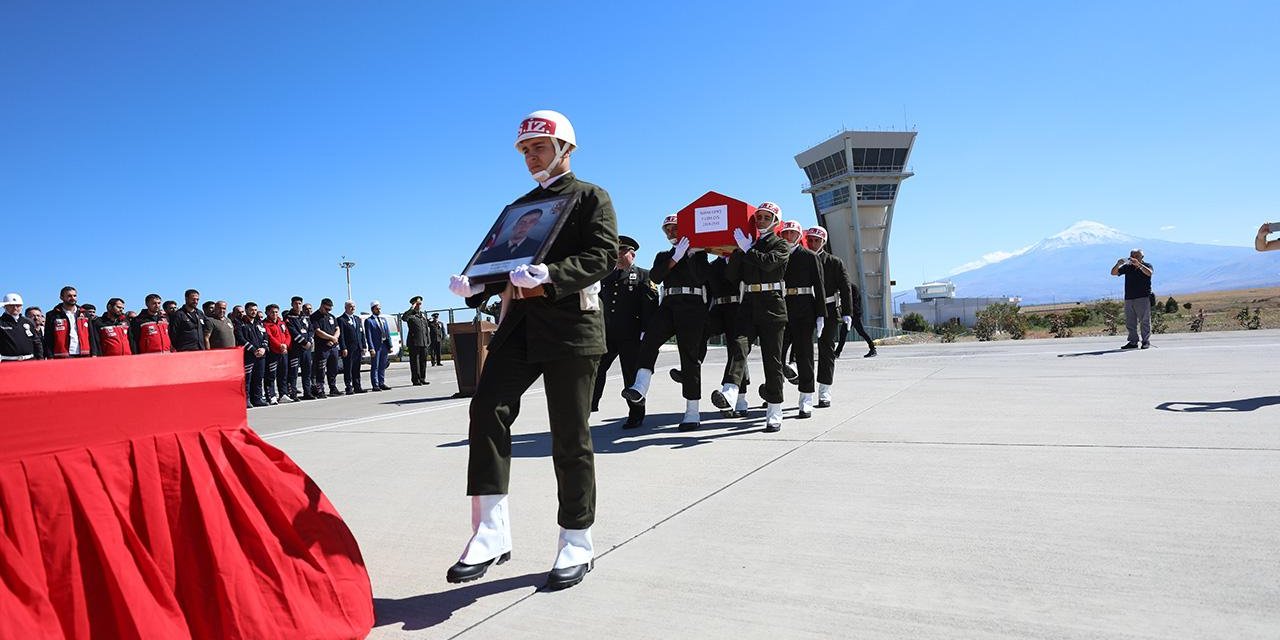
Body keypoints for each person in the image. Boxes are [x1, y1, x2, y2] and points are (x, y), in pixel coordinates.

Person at [445, 109, 616, 591]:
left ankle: (576, 540)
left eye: (538, 147)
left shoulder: (590, 197)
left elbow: (603, 255)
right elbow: (503, 264)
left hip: (571, 326)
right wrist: (474, 286)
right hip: (518, 325)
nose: (530, 157)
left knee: (569, 435)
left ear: (566, 149)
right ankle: (491, 531)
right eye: (524, 150)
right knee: (486, 409)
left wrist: (553, 276)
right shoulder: (519, 207)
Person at [622, 216, 711, 431]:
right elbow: (656, 276)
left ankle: (692, 412)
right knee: (649, 340)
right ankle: (640, 386)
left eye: (674, 228)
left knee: (689, 357)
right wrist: (675, 257)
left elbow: (702, 278)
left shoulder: (699, 255)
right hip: (669, 303)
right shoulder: (663, 255)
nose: (671, 232)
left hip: (692, 305)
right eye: (667, 230)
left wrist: (689, 255)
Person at [712, 202, 790, 432]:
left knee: (772, 360)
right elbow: (731, 276)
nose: (761, 221)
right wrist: (735, 252)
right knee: (738, 345)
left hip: (772, 306)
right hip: (748, 303)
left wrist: (747, 249)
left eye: (767, 217)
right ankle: (730, 390)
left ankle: (774, 409)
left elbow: (769, 264)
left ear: (776, 222)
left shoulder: (781, 244)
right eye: (759, 217)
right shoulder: (748, 245)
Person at [591, 235, 657, 427]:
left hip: (632, 336)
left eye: (622, 252)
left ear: (632, 254)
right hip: (608, 335)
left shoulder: (644, 276)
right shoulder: (605, 277)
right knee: (595, 370)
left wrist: (646, 332)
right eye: (615, 252)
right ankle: (589, 407)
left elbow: (650, 307)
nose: (618, 256)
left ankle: (636, 414)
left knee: (631, 375)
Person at [775, 220, 825, 418]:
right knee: (776, 354)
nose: (788, 237)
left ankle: (806, 398)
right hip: (781, 306)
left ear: (799, 236)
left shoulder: (809, 256)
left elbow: (819, 287)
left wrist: (821, 314)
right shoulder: (778, 255)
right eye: (785, 233)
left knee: (804, 356)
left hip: (804, 308)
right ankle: (773, 394)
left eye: (792, 234)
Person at [805, 227, 853, 408]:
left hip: (829, 308)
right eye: (810, 239)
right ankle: (804, 388)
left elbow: (845, 287)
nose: (813, 243)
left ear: (823, 242)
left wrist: (848, 312)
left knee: (826, 349)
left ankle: (825, 389)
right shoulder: (803, 260)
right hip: (807, 307)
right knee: (803, 348)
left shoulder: (834, 262)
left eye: (817, 240)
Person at [1111, 249, 1155, 349]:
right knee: (1130, 321)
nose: (1133, 258)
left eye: (1136, 256)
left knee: (1144, 320)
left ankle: (1145, 341)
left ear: (1141, 257)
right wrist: (1118, 264)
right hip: (1129, 298)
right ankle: (1133, 341)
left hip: (1143, 297)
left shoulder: (1147, 265)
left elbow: (1149, 273)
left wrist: (1139, 265)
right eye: (1131, 256)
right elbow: (1113, 273)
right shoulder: (1127, 267)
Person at [44, 285, 96, 358]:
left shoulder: (85, 313)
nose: (73, 298)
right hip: (62, 355)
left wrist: (94, 353)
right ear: (61, 297)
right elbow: (48, 337)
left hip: (84, 354)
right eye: (69, 296)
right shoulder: (52, 315)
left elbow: (91, 335)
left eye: (74, 296)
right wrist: (50, 356)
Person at [481, 209, 545, 261]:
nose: (525, 226)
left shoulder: (539, 247)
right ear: (514, 227)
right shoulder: (491, 252)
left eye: (531, 222)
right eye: (522, 222)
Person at [238, 302, 270, 407]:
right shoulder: (240, 323)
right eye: (251, 310)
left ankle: (257, 398)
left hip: (261, 356)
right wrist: (253, 350)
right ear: (246, 310)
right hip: (249, 356)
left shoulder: (259, 323)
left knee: (258, 378)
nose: (254, 312)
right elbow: (241, 338)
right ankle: (246, 400)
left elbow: (265, 337)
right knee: (247, 379)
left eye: (255, 310)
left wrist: (263, 348)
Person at [285, 296, 316, 400]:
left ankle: (307, 392)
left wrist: (310, 340)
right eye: (296, 303)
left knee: (307, 372)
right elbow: (292, 331)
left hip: (307, 349)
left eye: (299, 303)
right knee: (293, 373)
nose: (298, 305)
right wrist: (303, 342)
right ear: (292, 304)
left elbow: (311, 330)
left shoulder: (305, 317)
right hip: (295, 349)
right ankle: (293, 394)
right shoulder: (289, 318)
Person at [311, 298, 342, 397]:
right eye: (326, 309)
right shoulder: (315, 317)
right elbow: (318, 331)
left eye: (330, 309)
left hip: (333, 347)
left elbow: (337, 329)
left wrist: (334, 338)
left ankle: (333, 387)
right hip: (322, 348)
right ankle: (320, 389)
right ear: (321, 305)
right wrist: (331, 338)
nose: (328, 311)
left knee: (333, 369)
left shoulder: (331, 316)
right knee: (320, 370)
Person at [263, 304, 291, 404]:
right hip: (273, 353)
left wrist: (286, 345)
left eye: (276, 312)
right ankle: (271, 396)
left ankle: (283, 394)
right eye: (272, 312)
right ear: (267, 313)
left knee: (283, 374)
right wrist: (280, 345)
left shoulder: (282, 323)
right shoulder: (265, 324)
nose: (274, 314)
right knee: (271, 376)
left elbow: (287, 335)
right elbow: (269, 337)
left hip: (283, 352)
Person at [1, 293, 43, 361]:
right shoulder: (1, 322)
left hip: (30, 361)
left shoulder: (28, 321)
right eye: (12, 305)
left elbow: (36, 342)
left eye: (18, 305)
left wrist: (40, 359)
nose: (15, 308)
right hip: (9, 362)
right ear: (5, 306)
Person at [338, 300, 367, 394]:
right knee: (348, 368)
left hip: (358, 348)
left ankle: (357, 386)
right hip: (348, 348)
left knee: (357, 368)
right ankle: (348, 387)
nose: (353, 308)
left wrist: (363, 346)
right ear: (346, 307)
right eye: (351, 306)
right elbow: (341, 335)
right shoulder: (341, 319)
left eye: (354, 306)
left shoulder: (357, 319)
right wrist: (343, 347)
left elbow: (361, 333)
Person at [364, 301, 393, 391]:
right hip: (376, 346)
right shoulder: (369, 321)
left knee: (382, 365)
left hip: (384, 345)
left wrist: (390, 345)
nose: (379, 310)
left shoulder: (383, 319)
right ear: (373, 309)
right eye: (377, 308)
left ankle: (381, 382)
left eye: (379, 308)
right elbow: (368, 336)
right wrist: (371, 348)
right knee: (375, 366)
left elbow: (387, 333)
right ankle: (375, 384)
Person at [402, 297, 431, 385]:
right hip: (414, 342)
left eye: (420, 304)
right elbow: (404, 318)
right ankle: (416, 380)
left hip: (424, 342)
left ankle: (422, 378)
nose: (419, 306)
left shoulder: (422, 316)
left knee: (423, 361)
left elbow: (426, 329)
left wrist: (428, 340)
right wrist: (411, 308)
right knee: (415, 362)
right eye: (417, 304)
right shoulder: (410, 315)